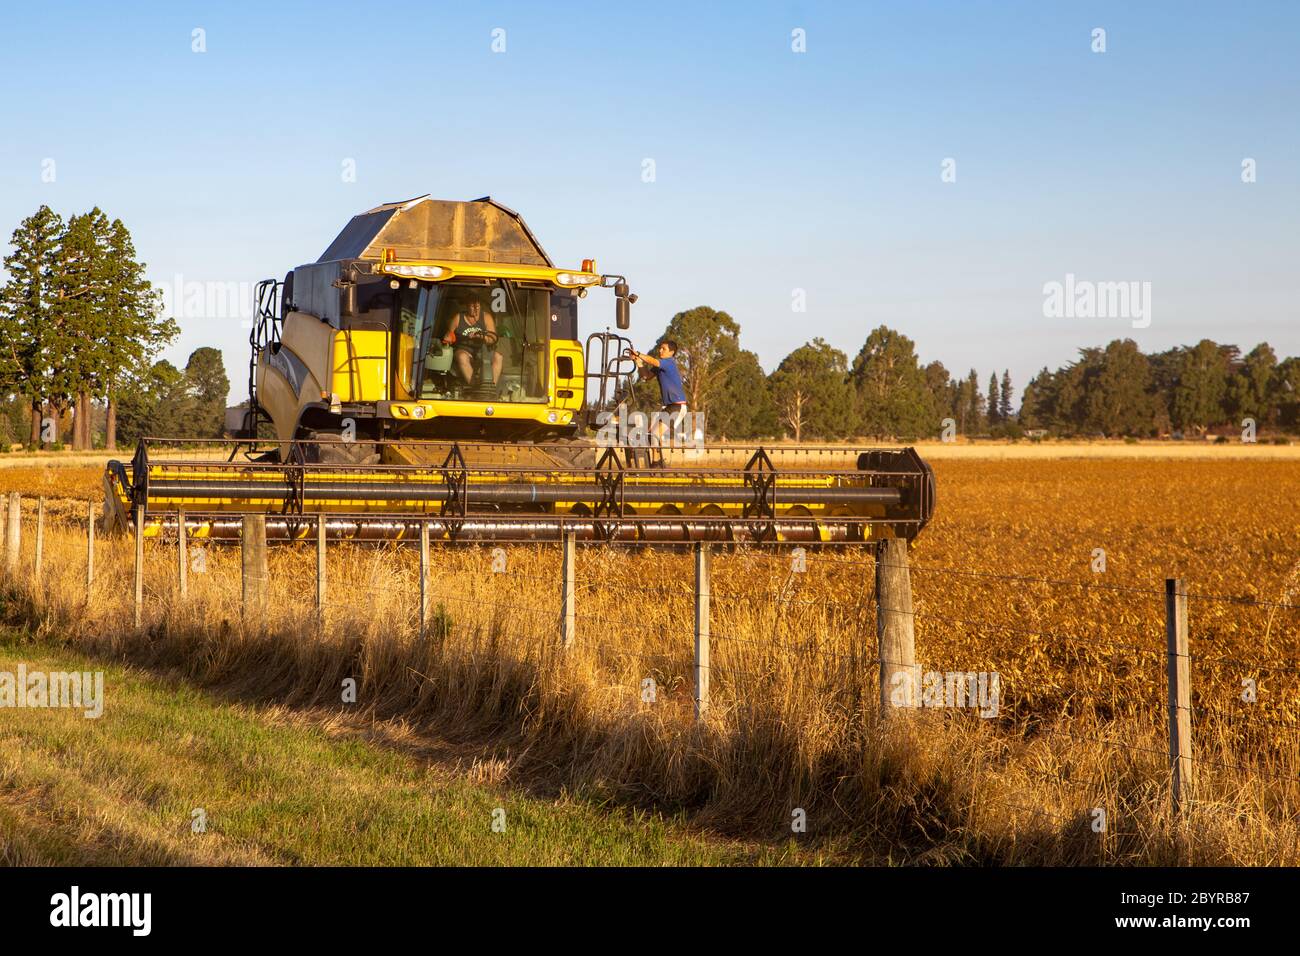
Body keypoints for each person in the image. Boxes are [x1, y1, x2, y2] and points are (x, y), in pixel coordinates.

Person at [629, 340, 688, 444]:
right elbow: (646, 376)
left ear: (671, 352)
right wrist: (638, 361)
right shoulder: (659, 367)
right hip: (669, 407)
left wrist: (638, 353)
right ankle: (658, 461)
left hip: (677, 406)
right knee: (651, 435)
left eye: (663, 349)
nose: (660, 351)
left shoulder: (669, 362)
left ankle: (657, 461)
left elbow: (653, 360)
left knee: (655, 435)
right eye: (660, 348)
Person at [442, 298, 503, 386]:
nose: (475, 309)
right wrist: (448, 339)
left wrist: (479, 336)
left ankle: (490, 388)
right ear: (467, 306)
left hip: (483, 350)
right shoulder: (458, 317)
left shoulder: (486, 317)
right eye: (472, 306)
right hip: (464, 349)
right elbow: (449, 335)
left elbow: (492, 339)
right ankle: (475, 387)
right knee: (462, 356)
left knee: (498, 357)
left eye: (477, 306)